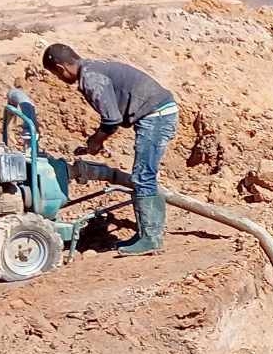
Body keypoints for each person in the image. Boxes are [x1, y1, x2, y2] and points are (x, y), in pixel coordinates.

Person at [41, 43, 178, 256]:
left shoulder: (91, 78)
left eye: (57, 75)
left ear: (61, 68)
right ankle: (146, 234)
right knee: (143, 176)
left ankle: (151, 239)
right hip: (156, 112)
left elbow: (112, 119)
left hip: (156, 116)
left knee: (143, 177)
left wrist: (96, 141)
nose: (60, 79)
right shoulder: (92, 68)